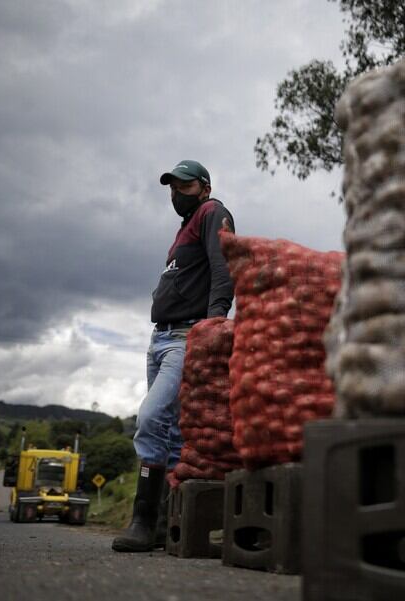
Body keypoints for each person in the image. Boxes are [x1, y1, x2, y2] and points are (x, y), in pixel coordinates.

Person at [112, 159, 235, 552]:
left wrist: (214, 323)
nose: (175, 193)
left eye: (183, 186)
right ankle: (165, 527)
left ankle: (142, 523)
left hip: (186, 337)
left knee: (149, 420)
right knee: (171, 435)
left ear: (203, 186)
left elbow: (223, 268)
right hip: (160, 339)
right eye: (171, 187)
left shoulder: (213, 213)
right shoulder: (184, 228)